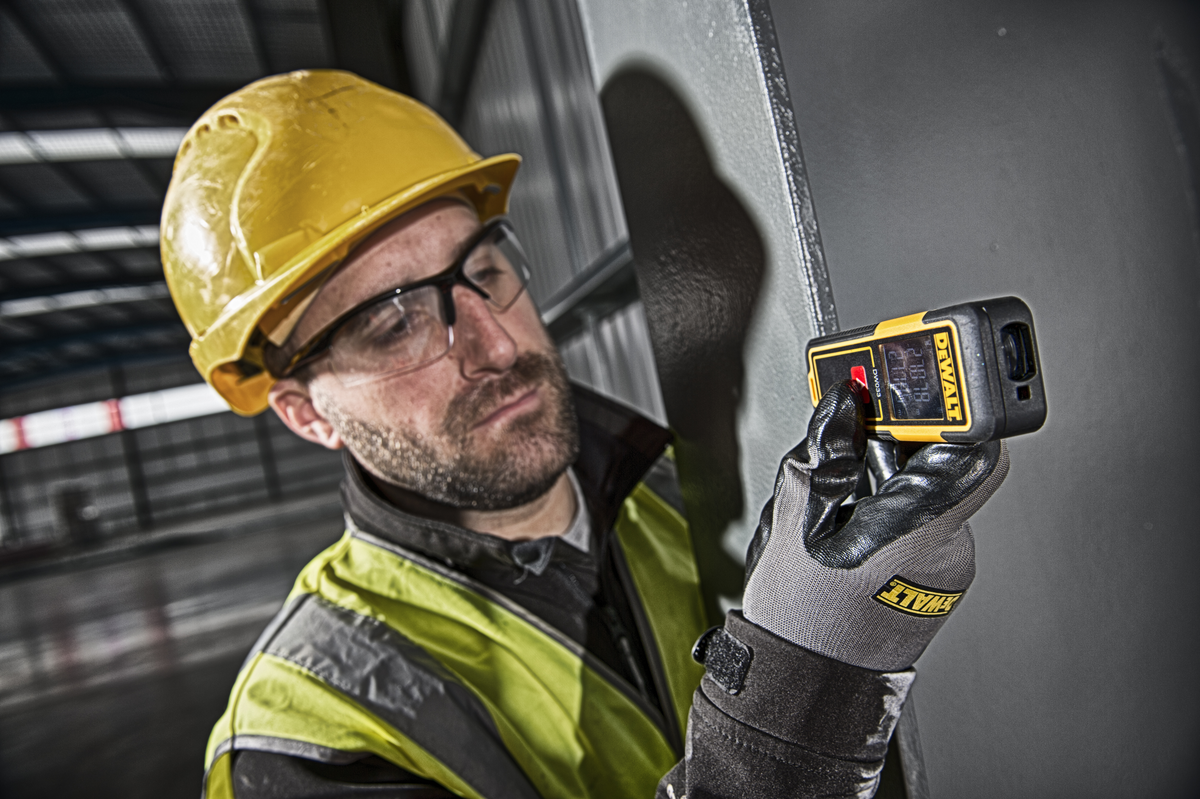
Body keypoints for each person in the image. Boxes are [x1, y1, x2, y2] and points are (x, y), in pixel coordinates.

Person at [162, 70, 1008, 799]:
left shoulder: (683, 488)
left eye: (485, 269)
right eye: (396, 325)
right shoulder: (303, 742)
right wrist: (801, 690)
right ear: (306, 413)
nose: (497, 344)